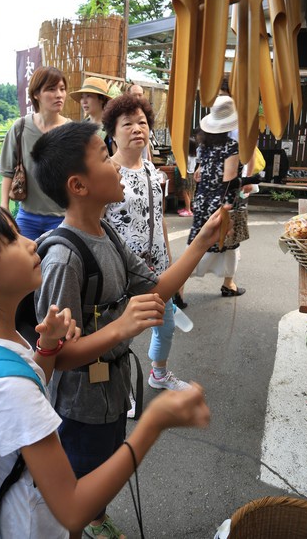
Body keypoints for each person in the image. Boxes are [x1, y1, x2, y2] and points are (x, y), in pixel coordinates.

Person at [0, 201, 210, 538]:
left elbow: (32, 381)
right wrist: (154, 423)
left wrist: (47, 348)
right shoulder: (7, 386)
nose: (30, 242)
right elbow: (72, 510)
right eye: (11, 240)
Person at [31, 121, 227, 539]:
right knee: (81, 481)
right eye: (104, 158)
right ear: (78, 185)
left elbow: (157, 289)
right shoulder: (64, 258)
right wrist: (121, 327)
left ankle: (96, 520)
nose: (117, 167)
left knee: (105, 463)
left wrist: (202, 240)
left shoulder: (106, 233)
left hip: (113, 389)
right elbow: (56, 356)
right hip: (80, 403)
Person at [102, 93, 189, 397]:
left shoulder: (153, 171)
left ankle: (159, 373)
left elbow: (160, 219)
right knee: (119, 335)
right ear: (112, 133)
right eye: (127, 123)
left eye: (142, 122)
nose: (137, 128)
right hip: (122, 272)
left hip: (158, 269)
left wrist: (171, 264)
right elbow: (95, 226)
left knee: (165, 325)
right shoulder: (107, 173)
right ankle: (117, 388)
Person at [187, 94, 260, 297]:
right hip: (221, 203)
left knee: (198, 244)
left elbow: (201, 173)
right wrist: (250, 181)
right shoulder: (231, 147)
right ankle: (224, 285)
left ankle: (183, 288)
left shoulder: (203, 145)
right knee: (225, 244)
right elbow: (229, 181)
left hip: (202, 200)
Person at [0, 66, 70, 240]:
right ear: (36, 94)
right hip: (27, 217)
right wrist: (4, 207)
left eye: (62, 89)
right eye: (51, 89)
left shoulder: (70, 131)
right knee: (25, 264)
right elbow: (8, 171)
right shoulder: (20, 127)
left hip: (63, 217)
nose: (59, 94)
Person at [70, 76, 113, 155]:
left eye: (89, 96)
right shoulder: (81, 126)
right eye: (82, 97)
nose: (84, 101)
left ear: (102, 99)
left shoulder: (111, 128)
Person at [177, 136, 197, 217]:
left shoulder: (187, 157)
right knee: (189, 192)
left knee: (185, 193)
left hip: (186, 175)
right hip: (191, 175)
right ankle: (187, 208)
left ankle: (188, 210)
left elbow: (181, 165)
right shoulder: (194, 156)